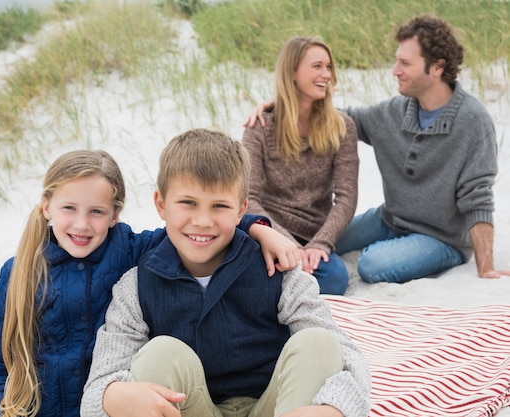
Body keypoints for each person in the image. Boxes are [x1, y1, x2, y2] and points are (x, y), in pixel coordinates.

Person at [0, 150, 301, 417]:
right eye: (68, 208)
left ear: (114, 214)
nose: (81, 224)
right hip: (43, 409)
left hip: (115, 405)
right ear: (47, 206)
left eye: (96, 211)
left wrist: (259, 228)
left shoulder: (130, 248)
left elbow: (192, 228)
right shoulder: (20, 270)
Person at [80, 129, 371, 417]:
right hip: (193, 408)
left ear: (241, 210)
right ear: (161, 204)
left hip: (275, 406)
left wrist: (333, 408)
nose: (203, 221)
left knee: (319, 342)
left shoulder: (276, 269)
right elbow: (96, 391)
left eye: (219, 206)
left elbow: (349, 359)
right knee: (160, 354)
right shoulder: (137, 286)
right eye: (188, 203)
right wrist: (111, 395)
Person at [245, 15, 510, 283]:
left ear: (437, 67)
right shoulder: (393, 112)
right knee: (321, 238)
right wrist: (281, 104)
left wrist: (485, 267)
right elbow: (330, 117)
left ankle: (449, 255)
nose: (395, 70)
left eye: (405, 63)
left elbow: (478, 199)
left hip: (441, 236)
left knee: (372, 265)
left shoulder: (473, 122)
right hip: (389, 220)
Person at [242, 36, 358, 295]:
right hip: (269, 231)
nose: (326, 74)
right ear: (292, 72)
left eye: (329, 67)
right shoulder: (261, 126)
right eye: (317, 66)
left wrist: (320, 244)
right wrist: (285, 244)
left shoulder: (342, 127)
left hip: (315, 236)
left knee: (335, 278)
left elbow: (347, 197)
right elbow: (248, 197)